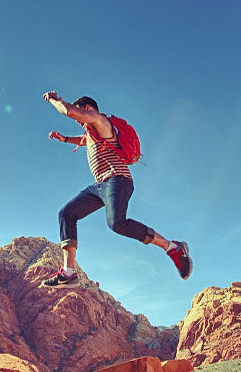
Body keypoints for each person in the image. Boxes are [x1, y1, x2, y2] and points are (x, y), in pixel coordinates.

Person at [40, 90, 192, 287]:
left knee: (117, 223)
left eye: (81, 115)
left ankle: (173, 247)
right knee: (66, 213)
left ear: (88, 109)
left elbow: (69, 112)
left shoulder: (100, 120)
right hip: (100, 186)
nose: (79, 121)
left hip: (118, 180)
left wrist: (54, 100)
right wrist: (65, 139)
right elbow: (84, 140)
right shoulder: (91, 132)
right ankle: (69, 273)